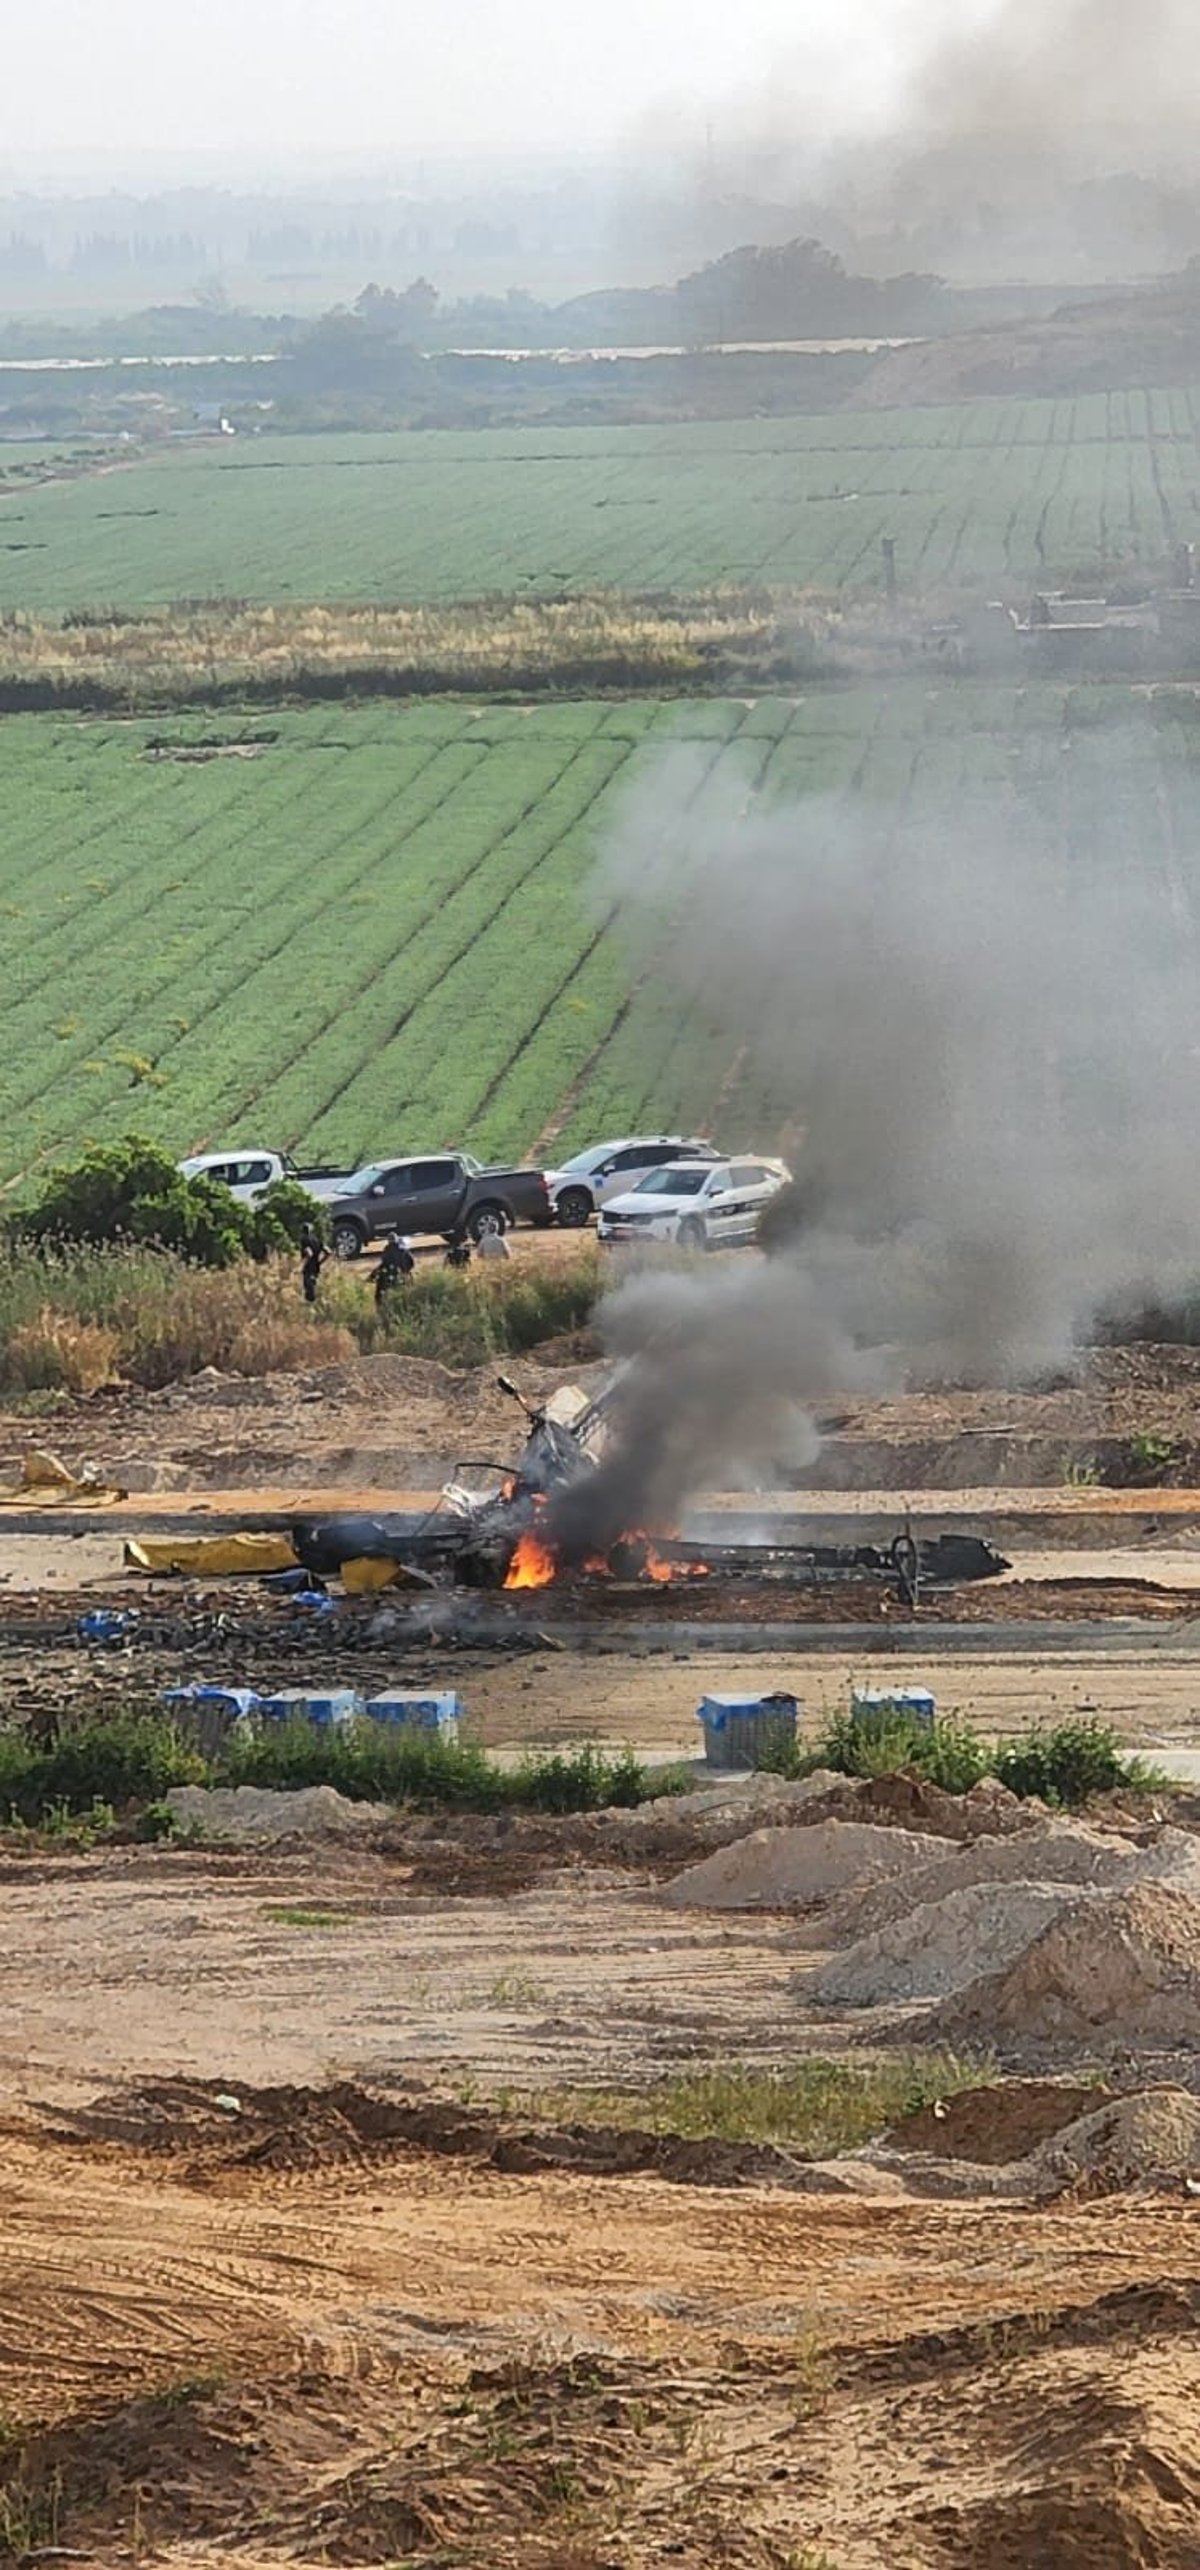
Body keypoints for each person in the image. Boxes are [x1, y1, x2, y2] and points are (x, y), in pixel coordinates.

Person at [374, 1229, 415, 1309]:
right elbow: (412, 1263)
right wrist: (406, 1271)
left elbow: (384, 1263)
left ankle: (379, 1305)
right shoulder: (403, 1250)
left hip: (390, 1275)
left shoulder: (386, 1250)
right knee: (409, 1289)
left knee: (379, 1289)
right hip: (402, 1275)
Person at [299, 1223, 326, 1306]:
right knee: (314, 1288)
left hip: (308, 1269)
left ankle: (310, 1310)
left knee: (308, 1291)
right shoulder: (317, 1239)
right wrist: (320, 1262)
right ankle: (315, 1307)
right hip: (316, 1269)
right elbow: (328, 1252)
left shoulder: (304, 1240)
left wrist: (302, 1265)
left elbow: (309, 1253)